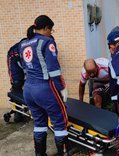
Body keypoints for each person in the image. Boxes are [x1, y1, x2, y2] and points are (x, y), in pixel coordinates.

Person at [19, 15, 69, 155]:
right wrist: (62, 88)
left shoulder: (23, 44)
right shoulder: (47, 42)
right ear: (46, 28)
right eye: (51, 30)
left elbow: (24, 67)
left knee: (39, 124)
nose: (50, 33)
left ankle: (40, 154)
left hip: (28, 89)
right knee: (60, 122)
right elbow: (54, 69)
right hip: (44, 89)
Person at [7, 38, 27, 122]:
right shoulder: (22, 47)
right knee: (17, 83)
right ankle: (17, 115)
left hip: (19, 62)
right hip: (13, 62)